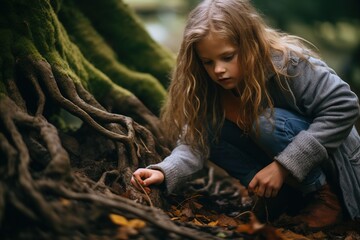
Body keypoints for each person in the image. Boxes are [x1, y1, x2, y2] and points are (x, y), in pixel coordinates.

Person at [131, 0, 360, 229]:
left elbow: (344, 105)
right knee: (210, 126)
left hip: (337, 170)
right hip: (288, 177)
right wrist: (164, 171)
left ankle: (324, 198)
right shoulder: (211, 86)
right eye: (208, 62)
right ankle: (276, 197)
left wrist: (283, 166)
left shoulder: (289, 64)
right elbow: (195, 142)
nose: (218, 70)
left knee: (265, 123)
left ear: (250, 44)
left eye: (228, 57)